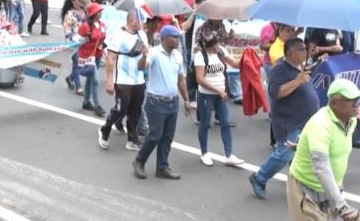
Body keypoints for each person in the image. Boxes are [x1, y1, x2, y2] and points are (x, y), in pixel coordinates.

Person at [287, 79, 360, 221]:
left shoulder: (350, 122)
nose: (356, 104)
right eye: (350, 100)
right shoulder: (321, 124)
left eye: (358, 99)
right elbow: (321, 167)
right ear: (335, 103)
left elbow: (337, 159)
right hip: (306, 192)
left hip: (327, 195)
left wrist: (338, 195)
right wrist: (343, 206)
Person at [249, 38, 319, 199]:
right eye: (300, 49)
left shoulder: (299, 66)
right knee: (285, 153)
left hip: (304, 120)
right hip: (289, 122)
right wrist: (297, 81)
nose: (304, 52)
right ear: (289, 52)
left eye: (304, 49)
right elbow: (276, 93)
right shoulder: (280, 69)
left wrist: (317, 61)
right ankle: (259, 178)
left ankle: (298, 184)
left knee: (301, 153)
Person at [132, 25, 192, 180]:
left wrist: (186, 99)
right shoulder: (154, 53)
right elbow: (141, 67)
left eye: (178, 37)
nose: (178, 40)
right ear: (165, 38)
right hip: (156, 102)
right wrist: (144, 56)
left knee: (168, 136)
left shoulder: (177, 56)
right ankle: (139, 160)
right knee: (154, 135)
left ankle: (162, 167)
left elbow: (180, 79)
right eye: (175, 37)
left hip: (173, 102)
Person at [99, 10, 148, 151]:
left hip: (138, 80)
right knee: (121, 109)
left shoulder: (142, 35)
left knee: (135, 111)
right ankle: (105, 129)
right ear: (133, 20)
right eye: (141, 20)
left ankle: (132, 140)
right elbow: (110, 59)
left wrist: (145, 56)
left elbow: (144, 63)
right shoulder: (119, 34)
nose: (143, 23)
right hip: (122, 80)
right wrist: (109, 80)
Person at [195, 35, 244, 166]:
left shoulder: (221, 50)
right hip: (206, 95)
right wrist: (218, 91)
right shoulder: (200, 56)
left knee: (226, 123)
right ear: (208, 46)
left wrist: (247, 56)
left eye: (218, 43)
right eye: (215, 45)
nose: (218, 46)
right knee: (205, 124)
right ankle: (204, 153)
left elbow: (234, 63)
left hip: (220, 94)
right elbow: (200, 79)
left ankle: (229, 155)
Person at [78, 2, 107, 116]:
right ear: (93, 13)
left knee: (90, 78)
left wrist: (102, 46)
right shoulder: (85, 26)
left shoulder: (102, 24)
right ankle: (97, 105)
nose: (100, 13)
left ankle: (86, 102)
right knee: (95, 80)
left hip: (98, 55)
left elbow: (103, 39)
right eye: (98, 11)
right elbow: (77, 40)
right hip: (88, 56)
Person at [61, 0, 87, 95]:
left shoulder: (85, 12)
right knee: (77, 63)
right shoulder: (69, 14)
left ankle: (70, 78)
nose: (81, 1)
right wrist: (69, 44)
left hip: (84, 42)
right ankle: (78, 86)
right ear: (73, 1)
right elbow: (66, 30)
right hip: (73, 42)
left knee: (82, 65)